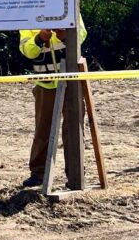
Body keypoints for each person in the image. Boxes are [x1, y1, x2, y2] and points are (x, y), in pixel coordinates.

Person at [18, 14, 87, 188]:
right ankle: (38, 174)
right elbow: (27, 51)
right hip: (45, 84)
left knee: (73, 129)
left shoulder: (69, 4)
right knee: (43, 129)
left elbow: (82, 35)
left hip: (72, 81)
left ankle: (75, 175)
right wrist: (40, 38)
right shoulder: (28, 13)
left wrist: (64, 35)